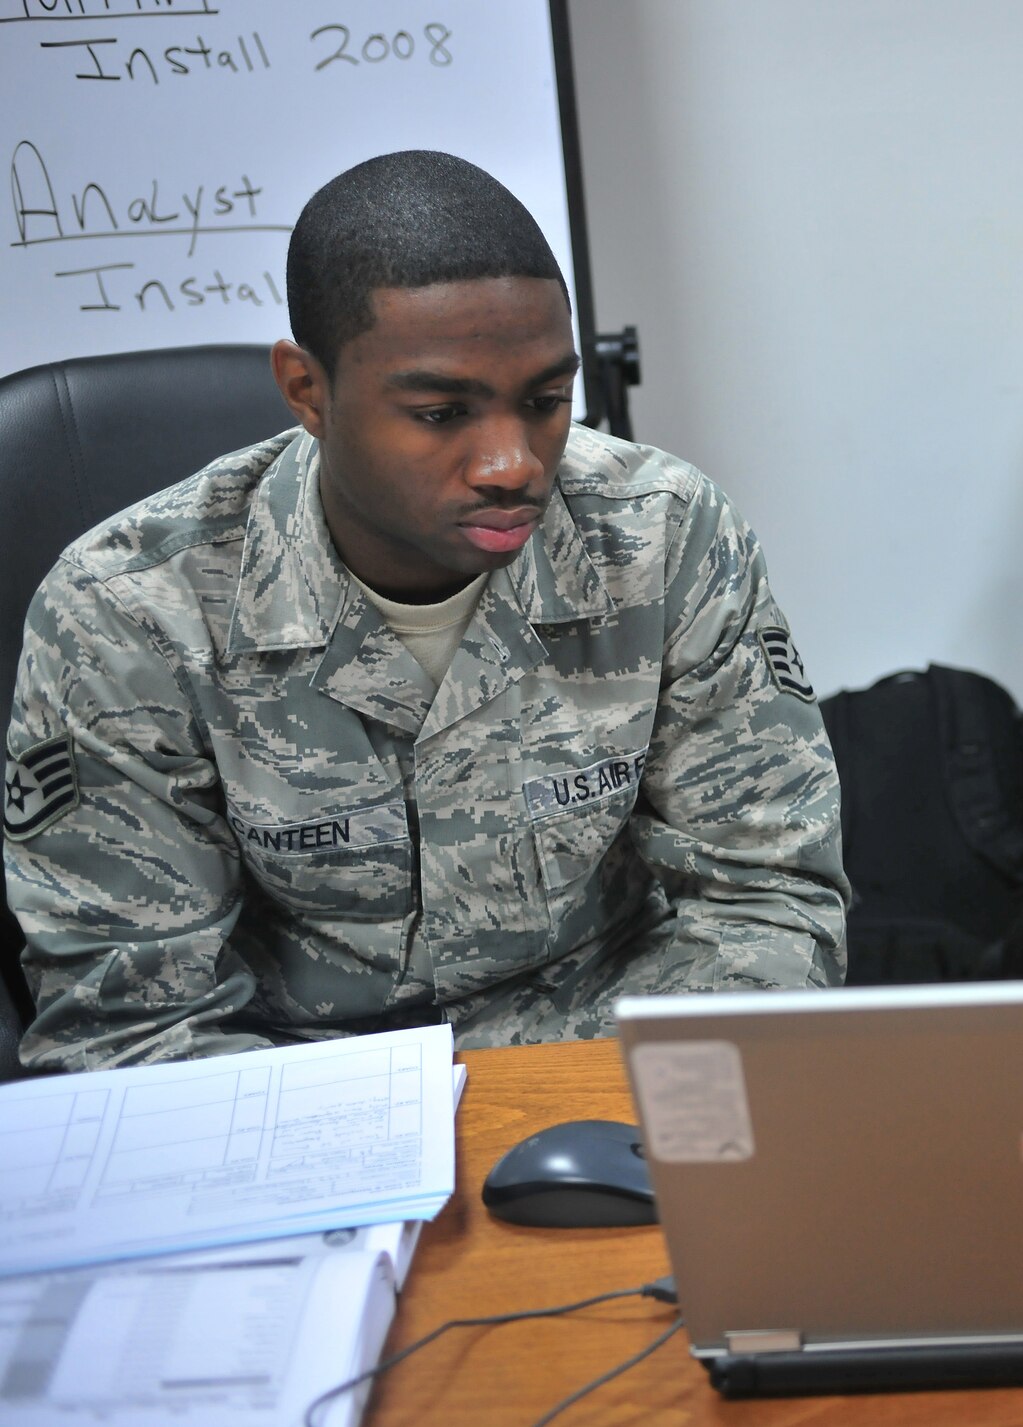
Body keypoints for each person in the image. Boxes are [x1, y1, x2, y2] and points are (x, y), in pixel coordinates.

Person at [5, 151, 848, 1072]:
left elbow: (765, 899)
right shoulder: (128, 612)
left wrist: (626, 1117)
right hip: (296, 1092)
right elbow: (130, 1024)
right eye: (443, 411)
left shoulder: (664, 537)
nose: (512, 464)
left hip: (600, 1073)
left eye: (545, 401)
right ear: (307, 390)